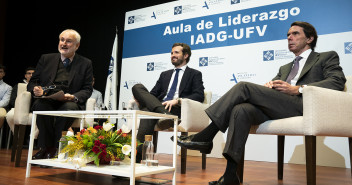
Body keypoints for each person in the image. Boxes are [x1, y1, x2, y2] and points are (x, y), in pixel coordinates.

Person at [175, 21, 346, 185]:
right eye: (287, 35)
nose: (289, 37)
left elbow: (337, 81)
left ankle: (207, 134)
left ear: (310, 39)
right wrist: (269, 86)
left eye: (295, 34)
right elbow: (273, 90)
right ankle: (230, 175)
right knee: (240, 110)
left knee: (243, 87)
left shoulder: (326, 57)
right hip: (280, 106)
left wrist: (298, 89)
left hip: (304, 105)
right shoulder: (285, 67)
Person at [132, 43, 204, 162]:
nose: (172, 55)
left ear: (185, 55)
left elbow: (199, 95)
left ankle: (136, 160)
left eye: (176, 52)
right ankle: (164, 114)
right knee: (137, 87)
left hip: (176, 108)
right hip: (160, 106)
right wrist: (142, 98)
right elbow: (153, 94)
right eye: (171, 53)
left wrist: (178, 100)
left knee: (146, 112)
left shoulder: (194, 74)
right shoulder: (165, 74)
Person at [28, 29, 93, 159]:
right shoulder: (46, 58)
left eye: (69, 41)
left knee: (68, 109)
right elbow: (33, 82)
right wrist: (36, 89)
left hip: (69, 100)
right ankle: (46, 148)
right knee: (40, 106)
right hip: (48, 98)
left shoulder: (85, 63)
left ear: (77, 45)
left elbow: (87, 89)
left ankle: (55, 148)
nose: (64, 44)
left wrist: (74, 97)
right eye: (62, 40)